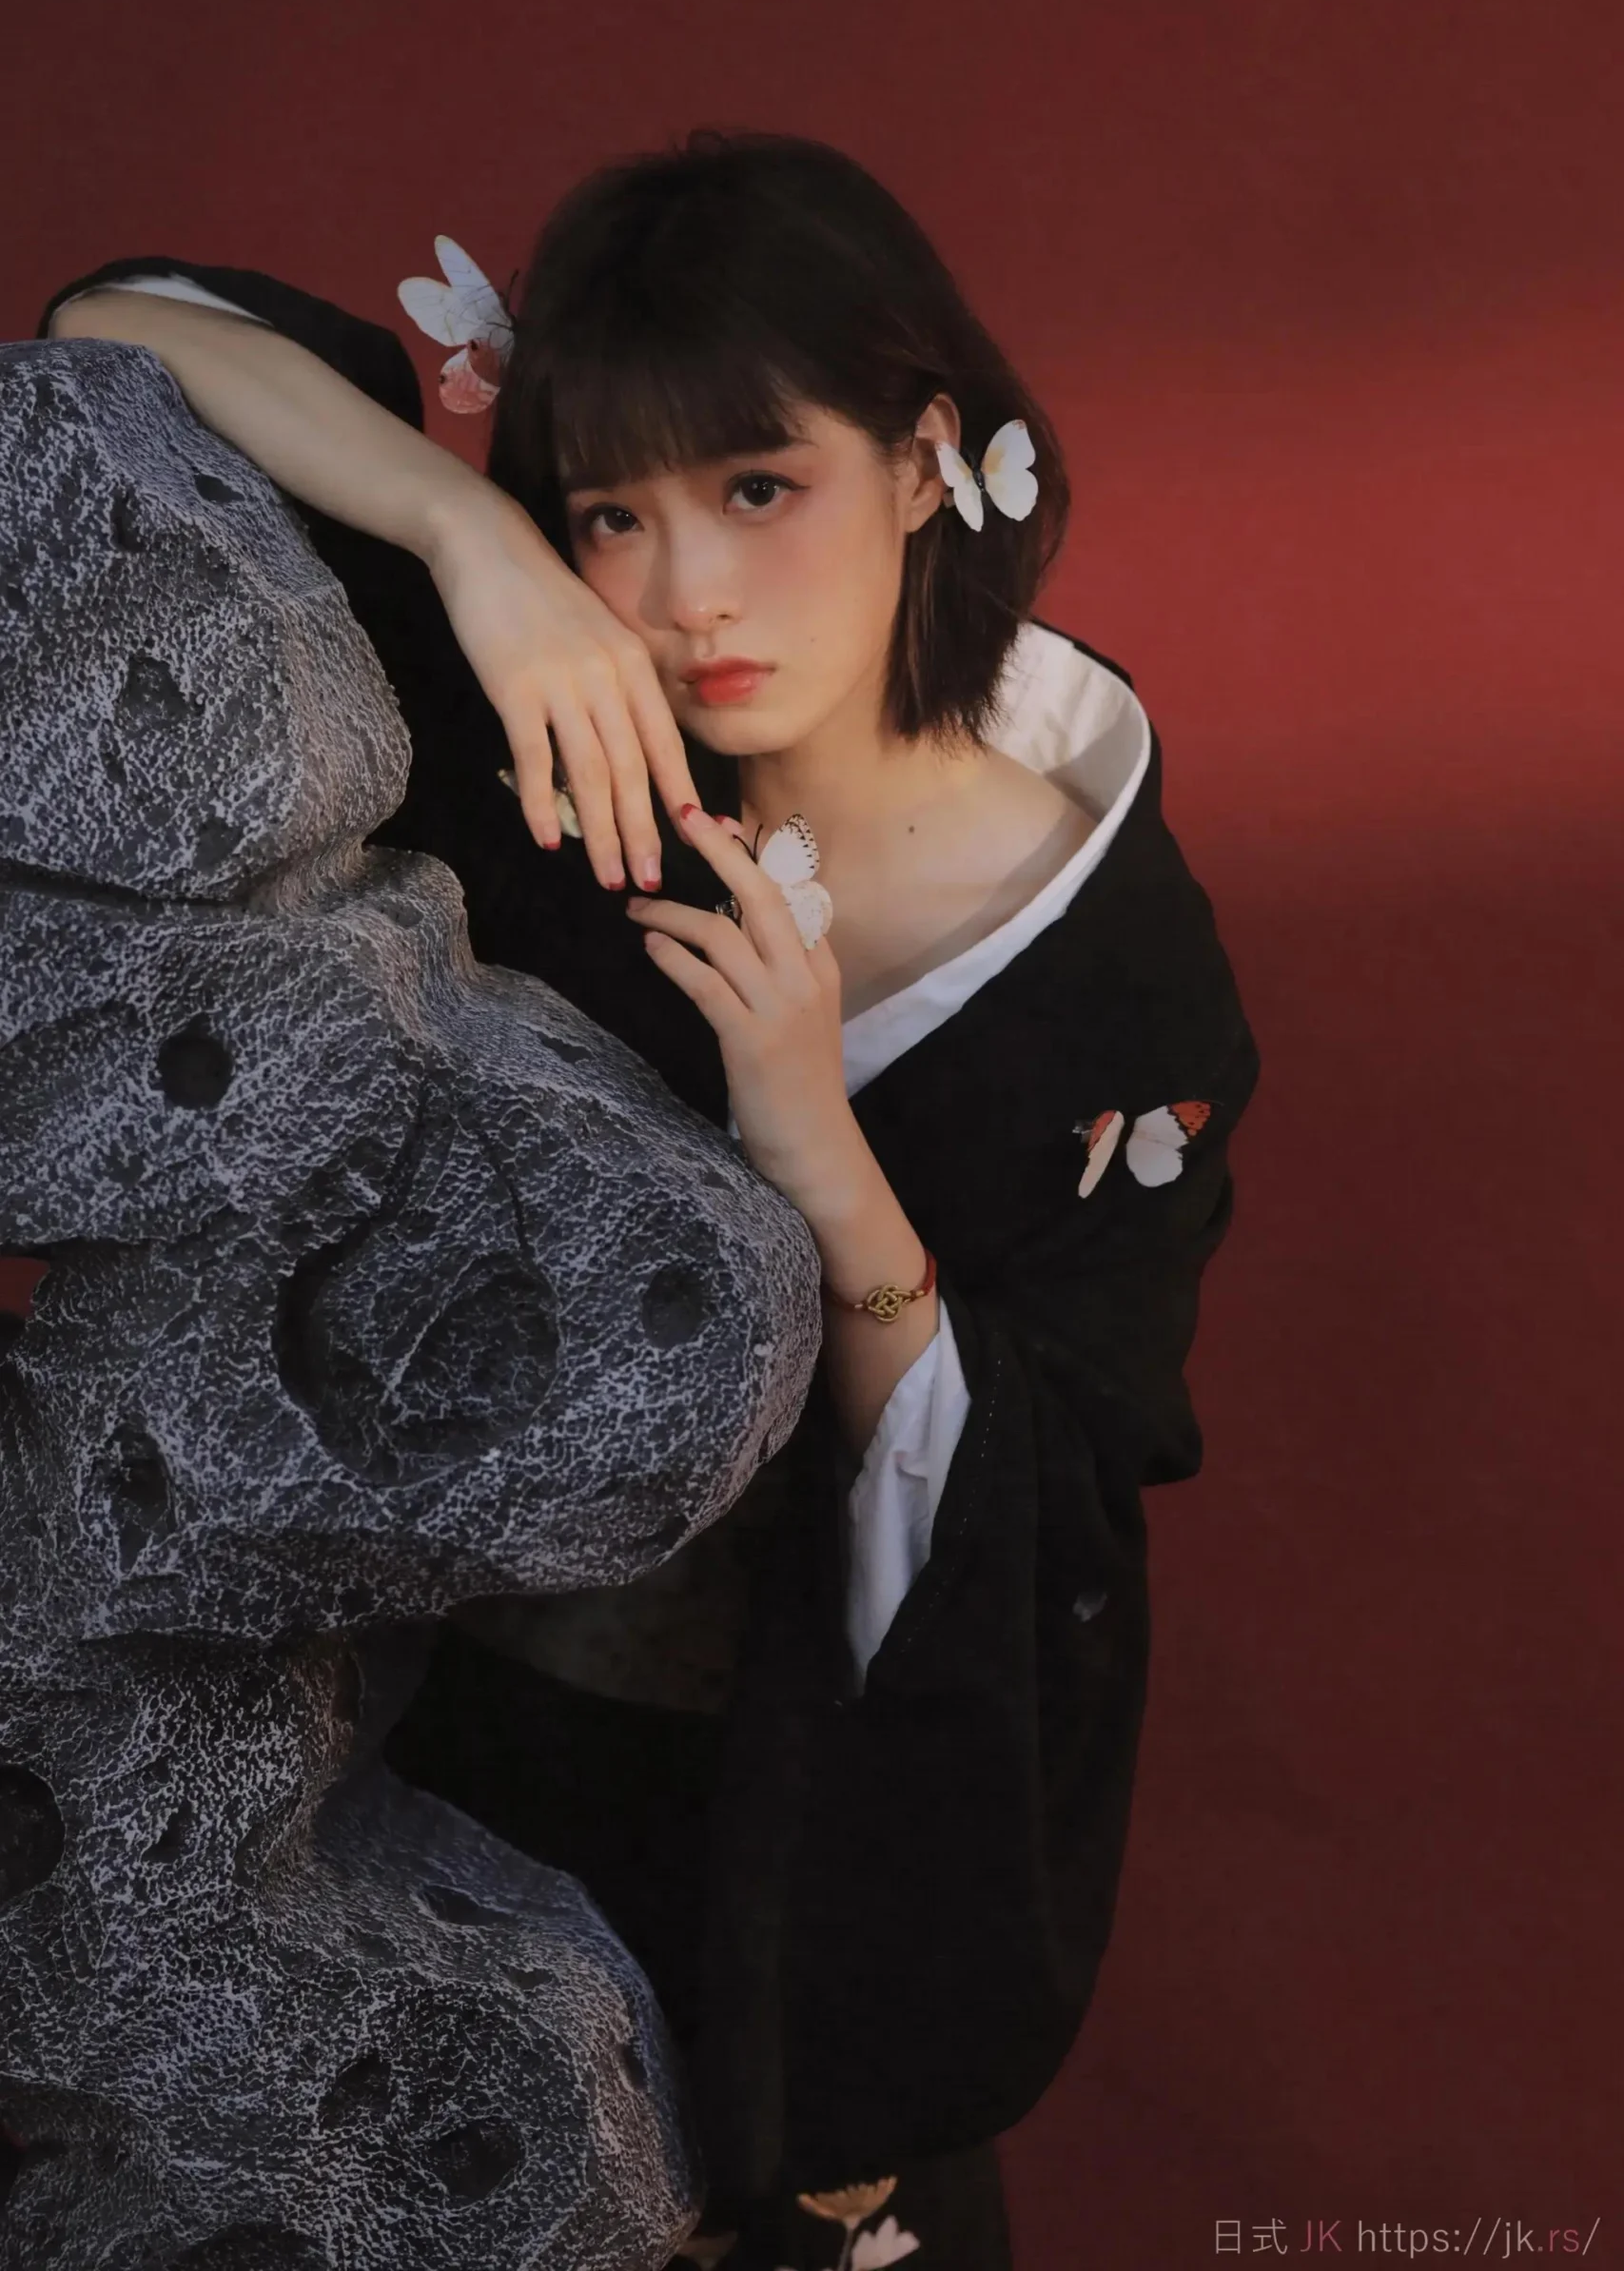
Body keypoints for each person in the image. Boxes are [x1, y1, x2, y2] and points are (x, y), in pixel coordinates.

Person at [40, 130, 1262, 2271]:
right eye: (615, 510)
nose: (685, 592)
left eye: (758, 488)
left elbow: (1045, 1503)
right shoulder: (574, 730)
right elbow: (114, 326)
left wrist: (813, 1143)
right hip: (406, 1746)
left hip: (780, 1825)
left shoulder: (1110, 977)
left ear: (924, 459)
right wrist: (471, 538)